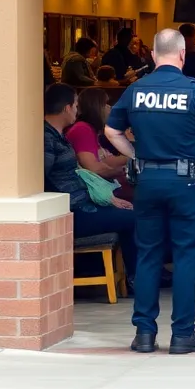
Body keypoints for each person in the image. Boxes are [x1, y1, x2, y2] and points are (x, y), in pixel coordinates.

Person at [104, 28, 195, 356]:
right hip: (187, 184)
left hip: (147, 183)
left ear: (152, 54)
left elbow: (111, 130)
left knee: (148, 255)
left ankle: (145, 334)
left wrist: (136, 156)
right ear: (181, 55)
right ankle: (182, 335)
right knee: (186, 255)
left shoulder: (135, 90)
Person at [43, 84, 137, 282]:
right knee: (135, 218)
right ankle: (138, 278)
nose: (78, 110)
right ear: (67, 108)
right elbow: (44, 177)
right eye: (75, 105)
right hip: (71, 212)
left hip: (82, 205)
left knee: (132, 212)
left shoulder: (58, 134)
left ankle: (136, 276)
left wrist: (107, 199)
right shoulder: (46, 137)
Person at [66, 87, 128, 182]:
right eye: (105, 104)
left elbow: (104, 161)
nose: (109, 107)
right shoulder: (82, 129)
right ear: (96, 108)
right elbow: (94, 168)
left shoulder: (90, 129)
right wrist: (124, 170)